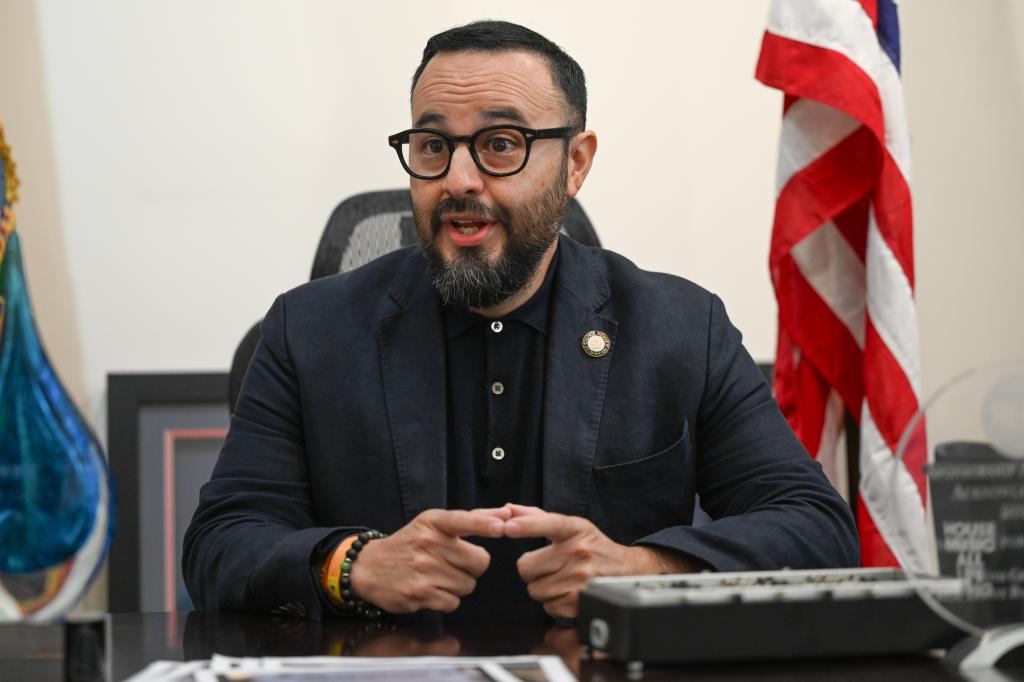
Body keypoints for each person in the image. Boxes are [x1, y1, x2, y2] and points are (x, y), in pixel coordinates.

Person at [183, 20, 859, 622]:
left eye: (501, 144)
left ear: (576, 164)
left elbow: (815, 530)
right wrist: (354, 566)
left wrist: (641, 571)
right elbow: (221, 543)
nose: (460, 179)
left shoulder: (679, 327)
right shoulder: (309, 332)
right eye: (431, 145)